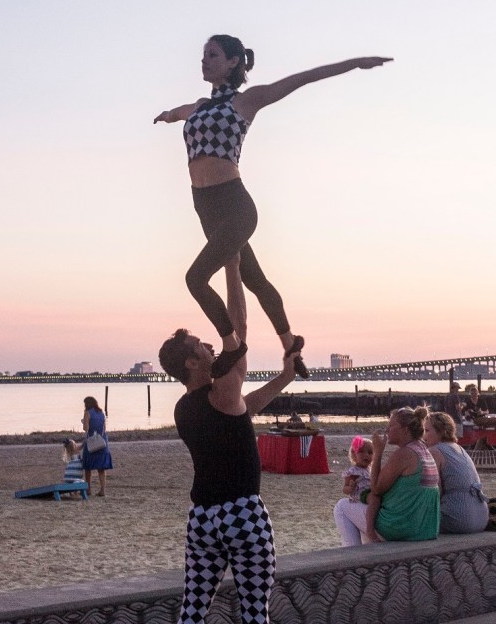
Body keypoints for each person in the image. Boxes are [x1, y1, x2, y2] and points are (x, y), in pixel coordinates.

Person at [154, 35, 391, 378]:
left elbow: (302, 78)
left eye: (212, 54)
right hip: (204, 207)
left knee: (196, 278)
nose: (203, 60)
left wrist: (355, 62)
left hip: (234, 205)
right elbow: (179, 113)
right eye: (202, 55)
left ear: (233, 61)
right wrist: (166, 115)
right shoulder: (198, 106)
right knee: (255, 279)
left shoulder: (246, 101)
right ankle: (290, 342)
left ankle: (232, 346)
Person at [148, 257, 299, 624]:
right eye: (202, 346)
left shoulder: (187, 404)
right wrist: (234, 264)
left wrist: (283, 380)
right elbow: (240, 327)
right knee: (255, 619)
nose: (212, 345)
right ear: (192, 362)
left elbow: (243, 410)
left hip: (202, 521)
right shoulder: (220, 387)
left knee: (190, 616)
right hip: (242, 516)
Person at [333, 407, 440, 546]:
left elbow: (376, 488)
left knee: (341, 506)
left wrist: (377, 454)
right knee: (364, 519)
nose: (387, 430)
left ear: (405, 430)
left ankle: (351, 556)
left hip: (400, 528)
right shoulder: (424, 451)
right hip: (424, 529)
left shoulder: (404, 453)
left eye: (391, 425)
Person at [422, 412, 489, 534]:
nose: (423, 436)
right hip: (481, 517)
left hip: (459, 519)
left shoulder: (434, 451)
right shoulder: (459, 448)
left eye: (427, 431)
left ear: (441, 431)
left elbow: (435, 492)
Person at [80, 396, 112, 497]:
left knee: (88, 467)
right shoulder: (101, 412)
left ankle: (88, 489)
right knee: (101, 468)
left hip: (92, 442)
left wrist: (83, 421)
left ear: (87, 404)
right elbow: (104, 428)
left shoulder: (87, 413)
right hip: (102, 442)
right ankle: (102, 490)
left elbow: (86, 428)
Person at [342, 435, 373, 502]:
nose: (366, 455)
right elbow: (345, 489)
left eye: (370, 452)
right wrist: (350, 488)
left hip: (369, 495)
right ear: (354, 455)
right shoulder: (354, 471)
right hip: (359, 498)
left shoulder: (370, 470)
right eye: (361, 451)